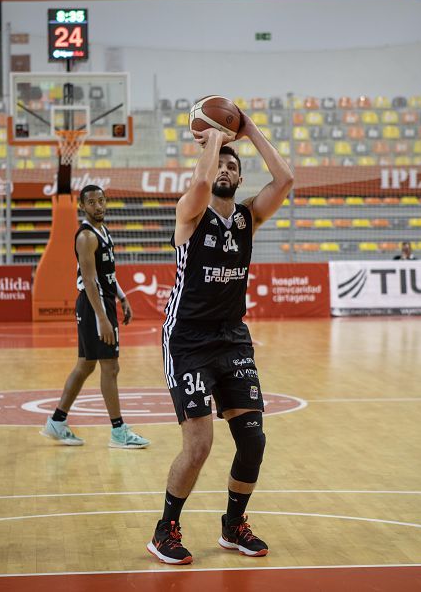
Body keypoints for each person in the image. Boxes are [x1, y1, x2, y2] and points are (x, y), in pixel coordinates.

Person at [146, 108, 293, 565]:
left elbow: (285, 179)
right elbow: (200, 186)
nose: (226, 169)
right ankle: (164, 530)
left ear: (241, 176)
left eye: (234, 165)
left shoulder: (248, 219)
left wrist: (248, 131)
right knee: (200, 445)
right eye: (220, 164)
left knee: (253, 441)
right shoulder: (189, 213)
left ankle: (234, 525)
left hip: (232, 339)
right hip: (187, 340)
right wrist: (212, 139)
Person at [41, 184, 150, 450]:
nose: (98, 206)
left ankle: (57, 421)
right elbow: (90, 281)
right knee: (110, 367)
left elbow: (107, 274)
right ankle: (118, 431)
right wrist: (102, 317)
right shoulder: (86, 237)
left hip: (103, 302)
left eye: (101, 201)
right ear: (82, 206)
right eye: (92, 202)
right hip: (94, 305)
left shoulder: (103, 232)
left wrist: (122, 298)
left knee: (86, 365)